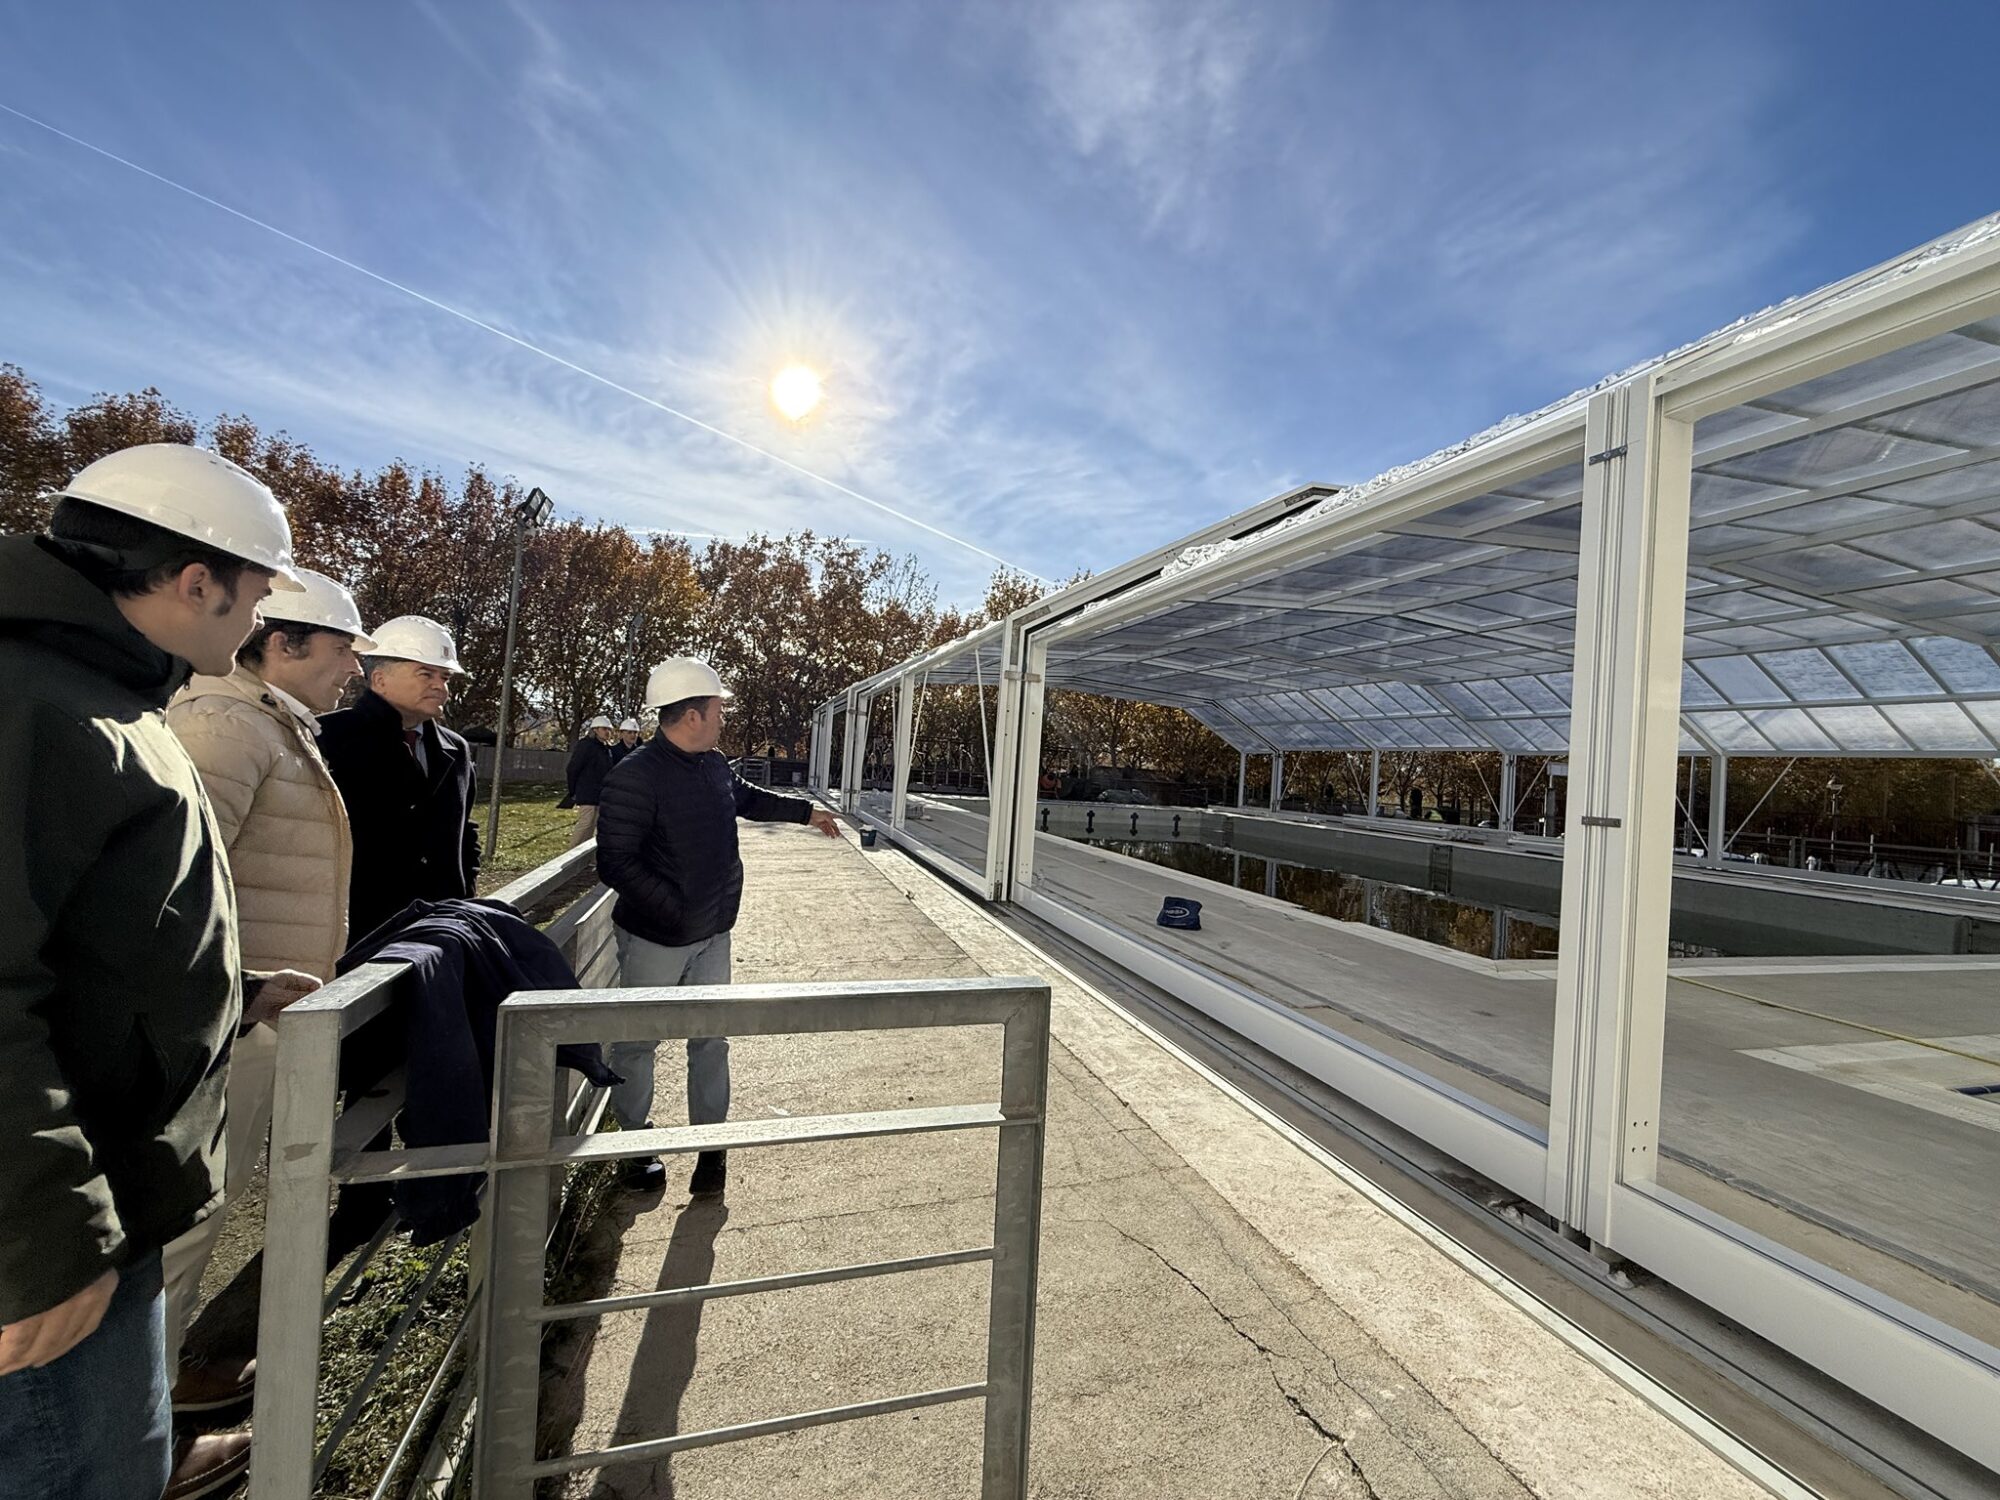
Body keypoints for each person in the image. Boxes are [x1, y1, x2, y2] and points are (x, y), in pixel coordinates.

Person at [0, 444, 320, 1500]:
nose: (257, 619)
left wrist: (232, 993)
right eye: (256, 594)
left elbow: (98, 934)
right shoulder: (35, 703)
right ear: (195, 582)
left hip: (103, 1197)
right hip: (63, 1236)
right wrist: (44, 1239)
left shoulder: (102, 695)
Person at [159, 569, 372, 1424]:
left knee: (203, 1211)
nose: (352, 670)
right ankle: (145, 1422)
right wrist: (240, 994)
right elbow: (166, 894)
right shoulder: (223, 728)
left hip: (246, 1017)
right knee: (184, 1220)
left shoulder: (267, 724)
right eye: (342, 651)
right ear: (282, 644)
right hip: (227, 1025)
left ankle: (155, 1387)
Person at [594, 657, 839, 1196]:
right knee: (638, 1042)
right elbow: (615, 862)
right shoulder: (634, 777)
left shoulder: (713, 764)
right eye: (718, 709)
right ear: (692, 716)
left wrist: (806, 814)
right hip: (655, 939)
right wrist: (675, 911)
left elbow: (747, 798)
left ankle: (711, 1146)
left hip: (712, 934)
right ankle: (634, 1146)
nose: (723, 718)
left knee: (711, 1040)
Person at [316, 616, 480, 943]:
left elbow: (465, 832)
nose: (441, 687)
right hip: (353, 933)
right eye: (426, 674)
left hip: (439, 930)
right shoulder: (327, 738)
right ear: (379, 679)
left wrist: (464, 895)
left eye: (445, 677)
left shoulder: (456, 748)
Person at [559, 715, 617, 847]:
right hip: (587, 791)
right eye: (604, 729)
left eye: (609, 729)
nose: (607, 732)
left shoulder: (606, 748)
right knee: (586, 823)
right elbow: (573, 769)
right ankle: (572, 854)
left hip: (600, 793)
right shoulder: (585, 745)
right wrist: (573, 790)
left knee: (593, 825)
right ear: (595, 730)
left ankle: (584, 855)